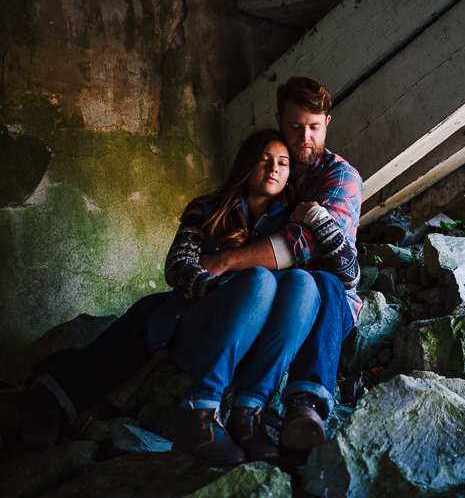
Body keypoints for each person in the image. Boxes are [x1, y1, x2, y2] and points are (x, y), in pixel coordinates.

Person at [1, 77, 363, 466]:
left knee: (309, 281)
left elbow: (304, 248)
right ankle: (51, 400)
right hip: (228, 305)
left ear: (327, 122)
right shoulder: (215, 207)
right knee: (152, 310)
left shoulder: (334, 180)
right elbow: (182, 265)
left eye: (312, 127)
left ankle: (301, 405)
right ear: (276, 125)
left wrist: (225, 263)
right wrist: (212, 282)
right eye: (293, 127)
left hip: (315, 303)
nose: (302, 138)